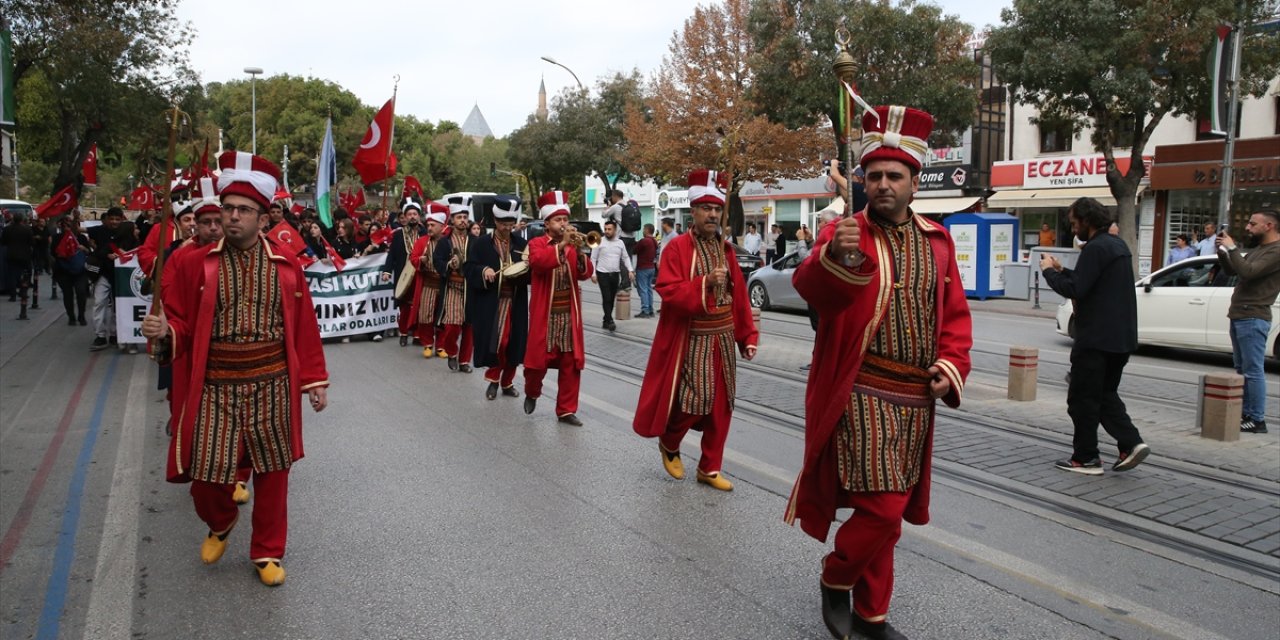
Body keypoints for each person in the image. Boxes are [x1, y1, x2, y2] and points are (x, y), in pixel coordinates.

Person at [784, 105, 973, 640]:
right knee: (885, 509)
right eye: (874, 176)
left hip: (916, 397)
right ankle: (836, 574)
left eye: (894, 176)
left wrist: (952, 363)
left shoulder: (938, 241)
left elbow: (955, 315)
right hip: (859, 388)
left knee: (885, 517)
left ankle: (872, 617)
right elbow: (811, 292)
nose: (883, 185)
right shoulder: (844, 232)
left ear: (915, 182)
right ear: (862, 182)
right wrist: (836, 259)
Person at [140, 150, 328, 588]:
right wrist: (166, 330)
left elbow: (304, 327)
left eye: (243, 210)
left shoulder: (286, 265)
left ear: (263, 218)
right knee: (205, 476)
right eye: (227, 209)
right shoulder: (193, 263)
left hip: (273, 382)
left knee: (273, 471)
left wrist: (314, 380)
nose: (232, 217)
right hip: (216, 384)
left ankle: (266, 551)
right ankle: (221, 521)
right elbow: (182, 323)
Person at [633, 169, 758, 492]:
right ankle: (670, 441)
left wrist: (748, 336)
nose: (713, 214)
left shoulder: (727, 251)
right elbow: (668, 289)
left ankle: (709, 467)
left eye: (717, 209)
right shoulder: (676, 249)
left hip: (723, 337)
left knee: (722, 404)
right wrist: (704, 283)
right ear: (694, 211)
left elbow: (739, 298)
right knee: (694, 400)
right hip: (692, 339)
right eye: (706, 208)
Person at [1041, 197, 1150, 475]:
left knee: (1082, 400)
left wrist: (1048, 274)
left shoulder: (1095, 248)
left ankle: (1087, 457)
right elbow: (1091, 280)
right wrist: (1061, 269)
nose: (1072, 226)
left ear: (1087, 220)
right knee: (1104, 395)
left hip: (1096, 339)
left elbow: (1077, 289)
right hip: (1120, 339)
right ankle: (1130, 444)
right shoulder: (1117, 245)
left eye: (1074, 221)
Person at [523, 190, 594, 426]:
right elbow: (539, 263)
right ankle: (532, 392)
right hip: (546, 313)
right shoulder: (536, 243)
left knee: (570, 363)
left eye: (565, 219)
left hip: (568, 313)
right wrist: (561, 246)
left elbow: (585, 274)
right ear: (547, 223)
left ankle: (566, 409)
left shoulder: (574, 247)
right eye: (558, 220)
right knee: (536, 363)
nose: (563, 224)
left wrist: (583, 254)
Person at [1215, 210, 1280, 434]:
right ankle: (1246, 413)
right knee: (1242, 368)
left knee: (1253, 370)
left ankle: (1257, 418)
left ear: (1269, 226)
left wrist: (1232, 247)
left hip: (1253, 316)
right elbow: (1234, 270)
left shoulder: (1276, 251)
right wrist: (1223, 253)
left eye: (1253, 224)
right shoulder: (1260, 249)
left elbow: (1249, 272)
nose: (1248, 228)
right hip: (1241, 314)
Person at [465, 196, 529, 400]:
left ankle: (507, 382)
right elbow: (469, 267)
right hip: (492, 303)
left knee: (514, 343)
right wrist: (483, 271)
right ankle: (493, 380)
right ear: (495, 220)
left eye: (510, 224)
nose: (506, 228)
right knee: (497, 343)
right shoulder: (481, 244)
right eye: (503, 224)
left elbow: (531, 270)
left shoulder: (522, 244)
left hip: (515, 301)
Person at [435, 195, 476, 372]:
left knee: (469, 326)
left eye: (465, 217)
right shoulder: (445, 242)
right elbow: (437, 261)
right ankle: (452, 352)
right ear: (452, 220)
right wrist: (448, 265)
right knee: (452, 325)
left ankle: (464, 361)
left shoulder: (476, 241)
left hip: (471, 289)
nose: (463, 221)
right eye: (459, 217)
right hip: (452, 287)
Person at [87, 207, 137, 351]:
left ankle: (116, 334)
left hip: (121, 276)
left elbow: (136, 252)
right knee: (99, 303)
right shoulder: (100, 231)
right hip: (103, 273)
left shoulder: (128, 234)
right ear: (107, 219)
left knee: (119, 305)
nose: (114, 222)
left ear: (122, 219)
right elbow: (81, 232)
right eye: (111, 219)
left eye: (117, 219)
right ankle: (100, 335)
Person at [408, 204, 449, 357]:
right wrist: (421, 260)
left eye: (433, 225)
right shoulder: (422, 241)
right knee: (426, 315)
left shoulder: (448, 241)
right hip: (428, 284)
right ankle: (427, 344)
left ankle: (441, 345)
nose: (429, 228)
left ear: (441, 226)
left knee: (443, 316)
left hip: (444, 285)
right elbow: (413, 258)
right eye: (428, 225)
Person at [388, 200, 424, 346]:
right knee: (404, 306)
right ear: (405, 217)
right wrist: (387, 271)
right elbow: (392, 255)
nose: (412, 217)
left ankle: (417, 334)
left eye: (415, 214)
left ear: (419, 216)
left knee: (420, 305)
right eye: (409, 214)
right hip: (404, 274)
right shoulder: (398, 235)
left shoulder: (426, 233)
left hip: (421, 274)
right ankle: (403, 333)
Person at [590, 219, 632, 331]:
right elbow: (593, 259)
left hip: (615, 274)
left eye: (609, 229)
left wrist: (630, 270)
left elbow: (626, 257)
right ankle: (610, 320)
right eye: (605, 229)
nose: (607, 231)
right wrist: (593, 273)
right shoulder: (598, 241)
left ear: (615, 230)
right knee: (606, 297)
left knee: (612, 298)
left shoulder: (620, 243)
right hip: (602, 273)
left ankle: (605, 319)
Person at [52, 217, 91, 326]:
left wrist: (84, 249)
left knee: (81, 292)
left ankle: (81, 316)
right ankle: (71, 317)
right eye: (65, 225)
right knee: (67, 294)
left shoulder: (82, 238)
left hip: (80, 271)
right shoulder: (57, 238)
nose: (67, 228)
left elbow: (88, 253)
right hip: (63, 270)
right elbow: (53, 252)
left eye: (70, 225)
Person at [1, 213, 34, 319]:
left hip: (11, 254)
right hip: (24, 255)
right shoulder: (27, 229)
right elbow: (31, 242)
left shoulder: (7, 229)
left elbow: (3, 241)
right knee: (25, 274)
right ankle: (23, 292)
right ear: (21, 220)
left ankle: (13, 295)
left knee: (11, 274)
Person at [633, 224, 658, 318]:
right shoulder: (654, 241)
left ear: (647, 230)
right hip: (651, 267)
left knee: (643, 289)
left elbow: (634, 250)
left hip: (643, 267)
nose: (643, 231)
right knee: (648, 289)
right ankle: (651, 309)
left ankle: (645, 310)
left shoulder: (644, 241)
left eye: (644, 229)